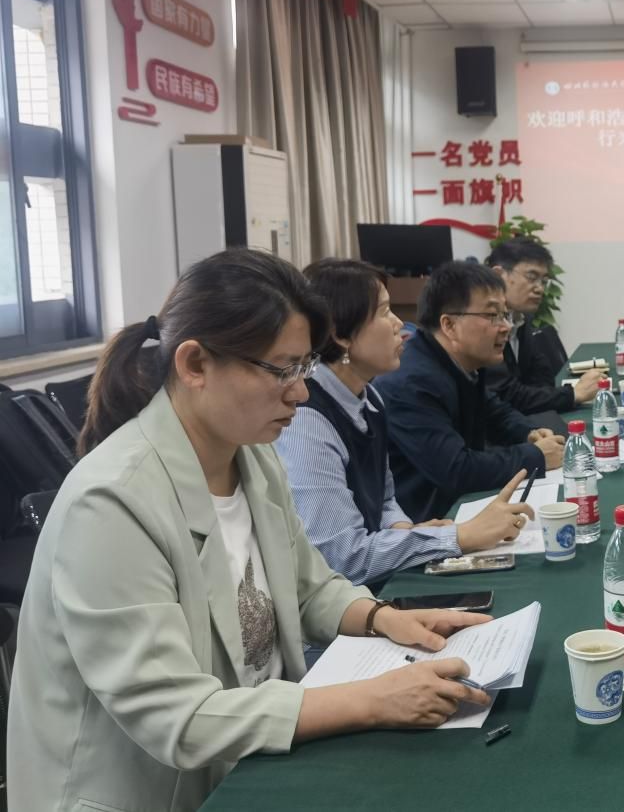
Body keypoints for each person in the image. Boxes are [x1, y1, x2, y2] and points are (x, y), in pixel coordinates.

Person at [7, 250, 494, 812]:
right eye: (282, 370)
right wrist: (374, 699)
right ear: (195, 364)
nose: (301, 392)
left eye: (305, 368)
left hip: (244, 762)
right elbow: (178, 716)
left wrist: (384, 619)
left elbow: (309, 586)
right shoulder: (111, 503)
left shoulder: (252, 456)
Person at [276, 259, 534, 589]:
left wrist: (405, 529)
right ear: (340, 334)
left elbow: (385, 500)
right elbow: (342, 559)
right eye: (384, 312)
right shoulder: (307, 421)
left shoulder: (369, 397)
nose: (400, 323)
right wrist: (459, 536)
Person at [373, 260, 564, 522]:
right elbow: (456, 469)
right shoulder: (410, 383)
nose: (506, 326)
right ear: (449, 325)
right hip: (425, 522)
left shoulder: (459, 360)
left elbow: (493, 411)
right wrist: (536, 456)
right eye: (492, 315)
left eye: (505, 315)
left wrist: (528, 432)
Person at [485, 238, 603, 425]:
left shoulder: (521, 320)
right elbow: (506, 395)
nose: (540, 288)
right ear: (499, 276)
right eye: (531, 277)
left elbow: (542, 379)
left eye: (544, 281)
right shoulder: (483, 325)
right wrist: (574, 394)